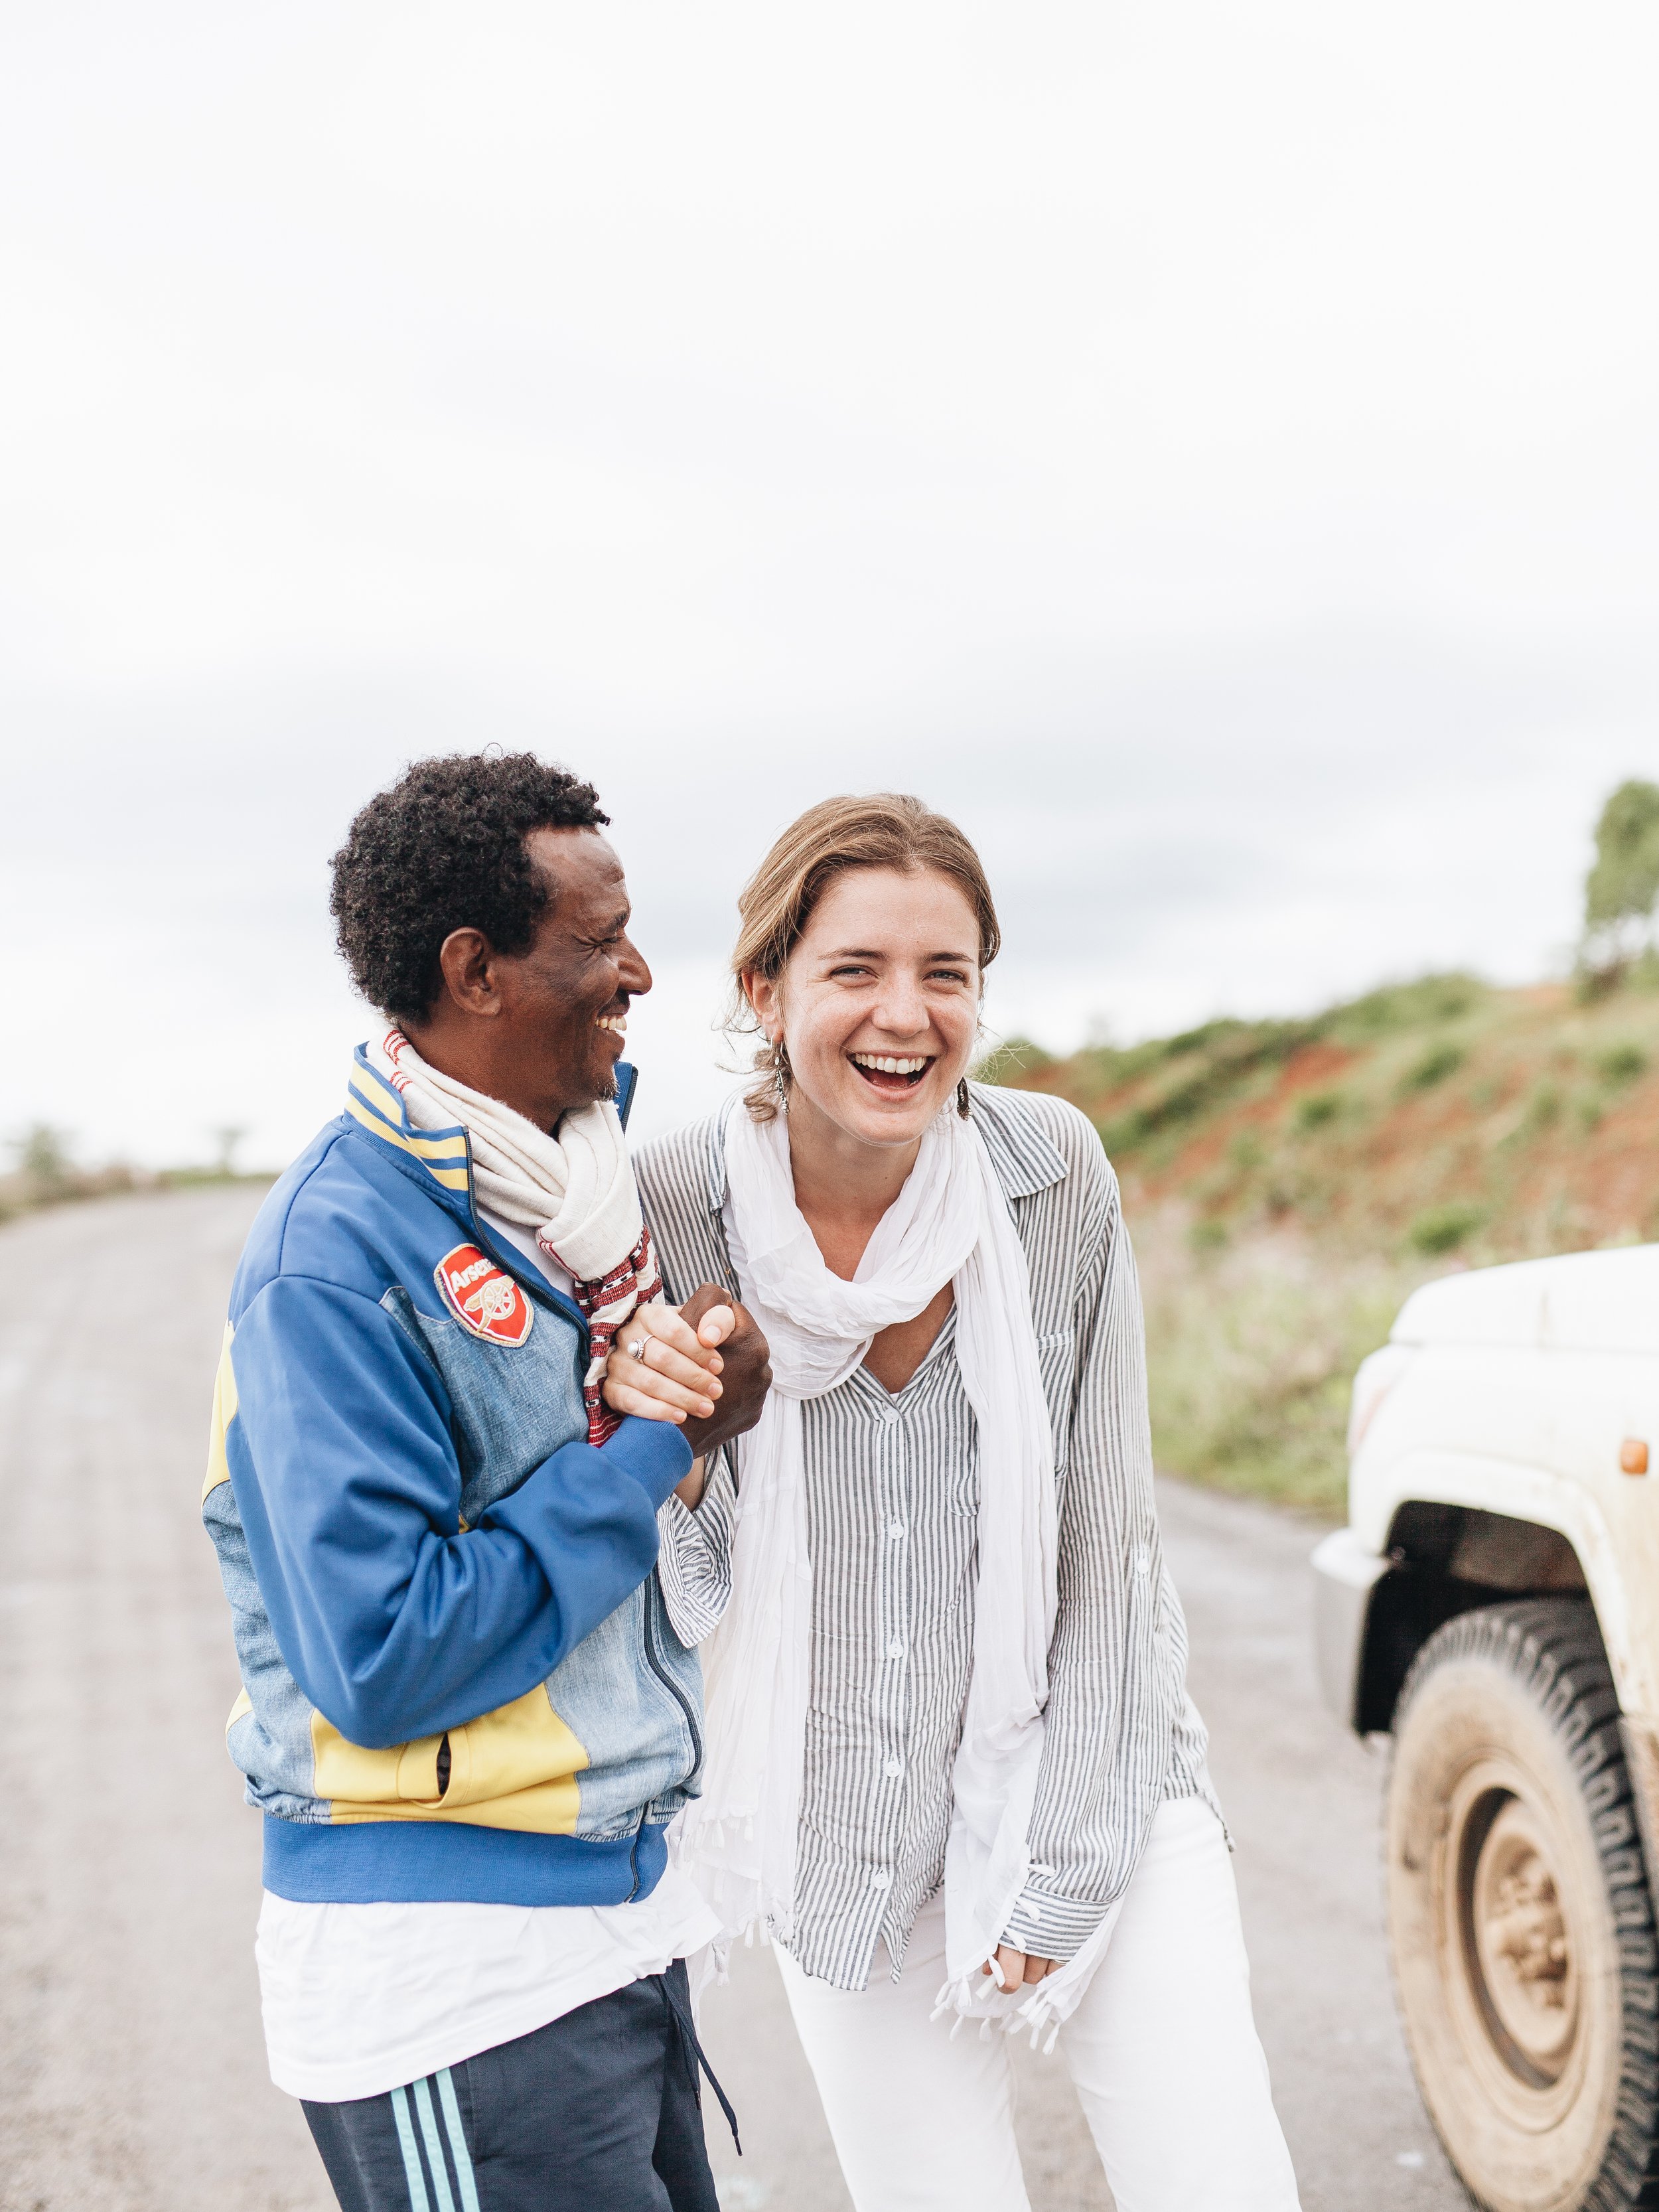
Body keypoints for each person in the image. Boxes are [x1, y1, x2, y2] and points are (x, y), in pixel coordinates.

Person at [604, 792, 1301, 2211]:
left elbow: (1109, 1541)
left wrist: (1064, 1863)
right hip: (839, 1825)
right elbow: (673, 1569)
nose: (902, 1015)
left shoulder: (1051, 1172)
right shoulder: (671, 1204)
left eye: (946, 974)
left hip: (1094, 1774)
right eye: (854, 969)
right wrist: (659, 1431)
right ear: (764, 986)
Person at [200, 752, 772, 2212]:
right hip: (448, 1972)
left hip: (614, 1921)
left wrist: (690, 1410)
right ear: (476, 971)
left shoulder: (571, 1196)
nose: (639, 969)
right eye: (598, 938)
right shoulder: (332, 1258)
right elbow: (380, 1657)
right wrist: (655, 1445)